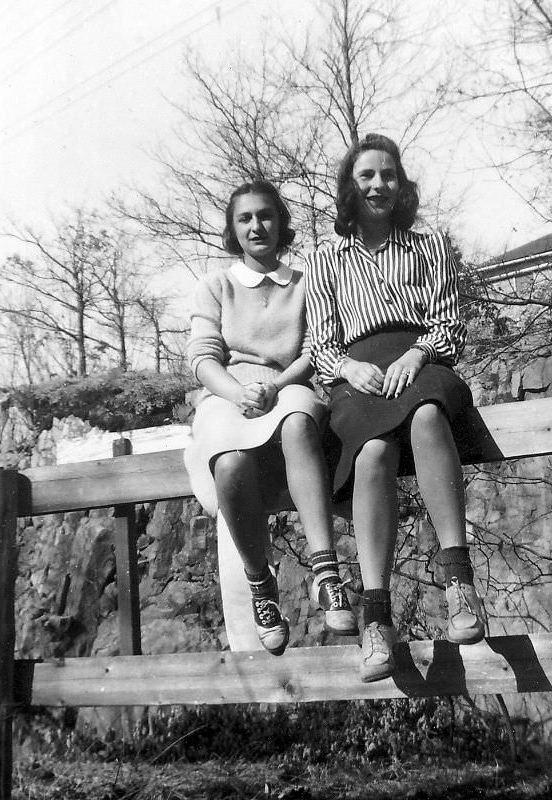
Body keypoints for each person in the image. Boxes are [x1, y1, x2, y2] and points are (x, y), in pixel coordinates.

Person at [305, 134, 485, 682]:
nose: (379, 185)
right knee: (373, 452)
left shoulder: (429, 245)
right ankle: (376, 618)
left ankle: (460, 583)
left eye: (389, 175)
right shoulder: (325, 257)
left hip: (421, 359)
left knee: (428, 414)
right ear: (349, 187)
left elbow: (449, 320)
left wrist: (418, 352)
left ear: (401, 185)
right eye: (366, 176)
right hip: (358, 372)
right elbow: (318, 343)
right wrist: (348, 368)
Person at [184, 180, 358, 656]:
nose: (256, 226)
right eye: (245, 219)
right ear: (233, 229)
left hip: (289, 387)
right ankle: (261, 586)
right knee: (230, 462)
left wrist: (276, 387)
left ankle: (326, 573)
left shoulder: (305, 283)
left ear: (280, 223)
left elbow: (315, 349)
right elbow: (202, 357)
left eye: (265, 216)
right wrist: (238, 392)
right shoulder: (215, 285)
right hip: (227, 394)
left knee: (299, 421)